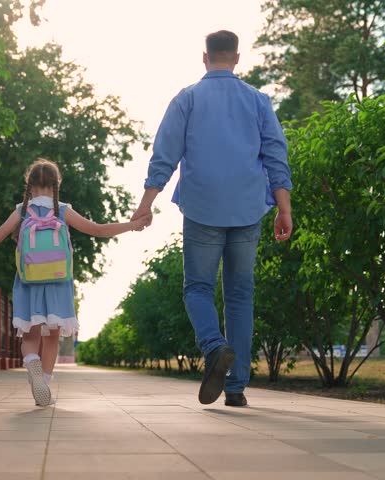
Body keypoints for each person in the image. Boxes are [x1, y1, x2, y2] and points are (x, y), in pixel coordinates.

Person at [132, 31, 293, 407]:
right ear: (237, 58)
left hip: (203, 208)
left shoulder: (187, 98)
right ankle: (235, 389)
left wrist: (146, 204)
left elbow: (165, 154)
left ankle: (214, 346)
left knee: (198, 289)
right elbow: (275, 156)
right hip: (248, 208)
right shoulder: (258, 101)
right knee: (240, 296)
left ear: (204, 58)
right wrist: (284, 208)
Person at [0, 159, 151, 406]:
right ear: (57, 185)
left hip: (28, 282)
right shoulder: (63, 210)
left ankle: (31, 362)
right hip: (58, 282)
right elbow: (98, 230)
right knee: (52, 335)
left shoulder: (21, 211)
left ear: (29, 185)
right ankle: (43, 381)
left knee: (31, 337)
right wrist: (132, 225)